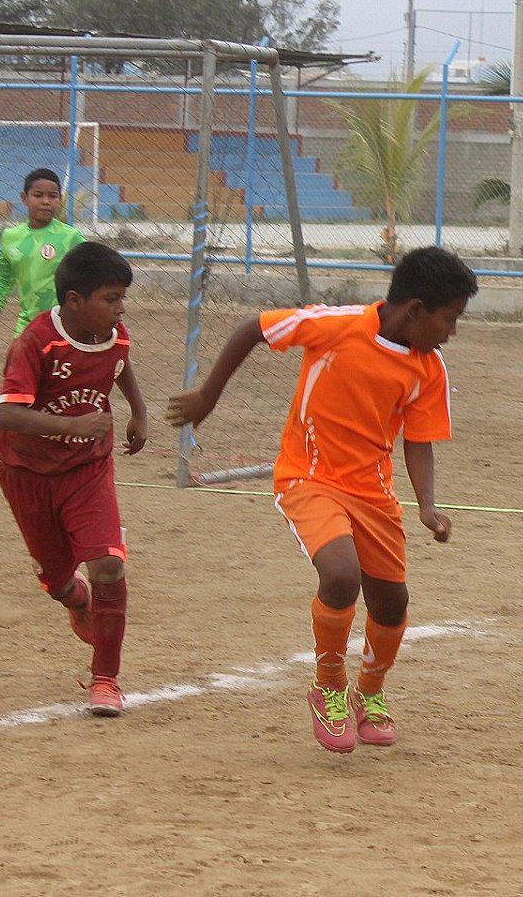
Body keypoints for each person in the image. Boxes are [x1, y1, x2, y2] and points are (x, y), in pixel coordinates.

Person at [166, 246, 478, 754]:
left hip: (372, 491)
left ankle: (370, 694)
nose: (452, 331)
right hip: (307, 476)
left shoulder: (429, 368)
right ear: (415, 310)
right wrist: (208, 397)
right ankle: (329, 685)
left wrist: (426, 504)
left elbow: (417, 439)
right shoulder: (335, 326)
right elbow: (253, 328)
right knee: (339, 574)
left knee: (392, 602)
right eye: (450, 318)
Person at [0, 241, 147, 716]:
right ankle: (72, 595)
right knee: (59, 580)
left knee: (108, 565)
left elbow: (120, 365)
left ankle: (105, 680)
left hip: (88, 469)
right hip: (27, 474)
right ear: (75, 301)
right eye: (111, 298)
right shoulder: (36, 342)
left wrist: (138, 411)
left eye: (123, 297)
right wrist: (72, 425)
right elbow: (8, 416)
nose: (120, 308)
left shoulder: (113, 334)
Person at [0, 167, 85, 360]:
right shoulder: (10, 238)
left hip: (65, 328)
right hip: (28, 327)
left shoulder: (72, 238)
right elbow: (4, 282)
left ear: (59, 200)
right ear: (24, 198)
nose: (46, 201)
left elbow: (92, 279)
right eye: (38, 195)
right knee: (16, 381)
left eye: (52, 196)